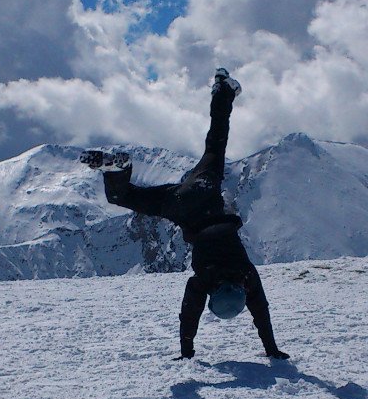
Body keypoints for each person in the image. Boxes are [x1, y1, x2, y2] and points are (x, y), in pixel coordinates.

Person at [85, 69, 290, 361]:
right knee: (125, 197)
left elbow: (261, 312)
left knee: (216, 140)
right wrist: (186, 352)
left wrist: (271, 348)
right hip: (177, 205)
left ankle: (224, 89)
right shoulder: (205, 281)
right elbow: (189, 313)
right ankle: (118, 173)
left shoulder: (246, 275)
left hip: (203, 188)